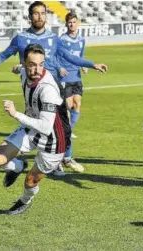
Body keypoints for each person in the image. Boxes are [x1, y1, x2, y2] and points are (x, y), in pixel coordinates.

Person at [0, 44, 71, 214]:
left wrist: (16, 114)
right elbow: (19, 69)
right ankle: (18, 166)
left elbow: (46, 127)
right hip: (30, 128)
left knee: (30, 181)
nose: (37, 69)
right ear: (25, 63)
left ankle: (24, 201)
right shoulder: (24, 71)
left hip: (54, 140)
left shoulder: (47, 89)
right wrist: (17, 68)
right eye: (32, 64)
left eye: (41, 64)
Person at [0, 1, 107, 80]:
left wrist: (92, 64)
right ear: (30, 16)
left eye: (43, 13)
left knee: (54, 119)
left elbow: (70, 57)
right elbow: (3, 55)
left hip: (52, 82)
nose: (40, 17)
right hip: (30, 83)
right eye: (36, 13)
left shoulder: (53, 38)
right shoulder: (21, 38)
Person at [52, 11, 87, 176]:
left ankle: (69, 130)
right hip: (66, 77)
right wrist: (59, 67)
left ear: (78, 23)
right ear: (66, 24)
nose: (72, 24)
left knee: (77, 104)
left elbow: (81, 55)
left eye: (74, 22)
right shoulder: (62, 40)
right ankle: (66, 136)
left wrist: (84, 65)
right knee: (68, 107)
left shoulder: (82, 40)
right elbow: (56, 56)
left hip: (77, 77)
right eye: (69, 22)